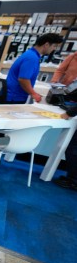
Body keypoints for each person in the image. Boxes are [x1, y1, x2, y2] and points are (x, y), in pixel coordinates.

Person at [5, 33, 64, 103]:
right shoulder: (32, 58)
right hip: (15, 97)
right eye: (54, 46)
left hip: (15, 95)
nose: (54, 49)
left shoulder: (31, 54)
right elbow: (23, 79)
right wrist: (33, 94)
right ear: (46, 45)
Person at [51, 53, 77, 191]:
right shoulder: (72, 57)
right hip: (69, 96)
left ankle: (73, 180)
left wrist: (69, 113)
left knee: (73, 149)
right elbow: (60, 70)